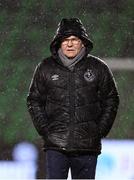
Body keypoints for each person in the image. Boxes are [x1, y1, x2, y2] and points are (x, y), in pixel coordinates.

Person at [27, 18, 119, 179]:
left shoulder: (98, 68)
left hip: (87, 146)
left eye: (74, 39)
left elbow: (111, 99)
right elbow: (34, 100)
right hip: (55, 145)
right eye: (65, 40)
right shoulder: (45, 67)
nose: (69, 44)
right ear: (58, 43)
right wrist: (46, 130)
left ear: (82, 42)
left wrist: (99, 131)